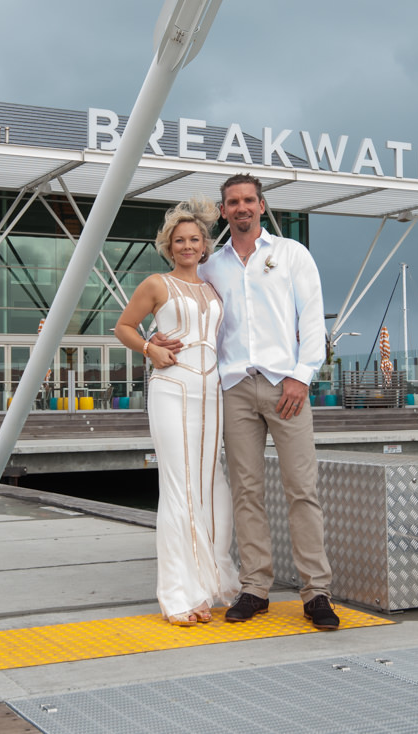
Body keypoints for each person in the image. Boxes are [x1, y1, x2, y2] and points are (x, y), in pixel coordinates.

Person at [152, 173, 339, 631]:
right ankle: (255, 587)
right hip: (233, 389)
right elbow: (196, 318)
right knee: (246, 493)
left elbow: (312, 321)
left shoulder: (291, 255)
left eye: (248, 200)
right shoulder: (212, 266)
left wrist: (301, 376)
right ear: (222, 210)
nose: (241, 208)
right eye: (232, 201)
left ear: (261, 205)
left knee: (302, 489)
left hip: (286, 387)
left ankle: (316, 591)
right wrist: (154, 339)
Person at [114, 197, 240, 626]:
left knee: (214, 489)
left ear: (205, 245)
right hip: (172, 388)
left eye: (194, 239)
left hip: (213, 392)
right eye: (178, 240)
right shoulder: (156, 284)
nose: (187, 246)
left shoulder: (213, 286)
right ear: (168, 246)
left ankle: (209, 584)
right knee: (180, 487)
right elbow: (123, 327)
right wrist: (150, 349)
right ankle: (178, 595)